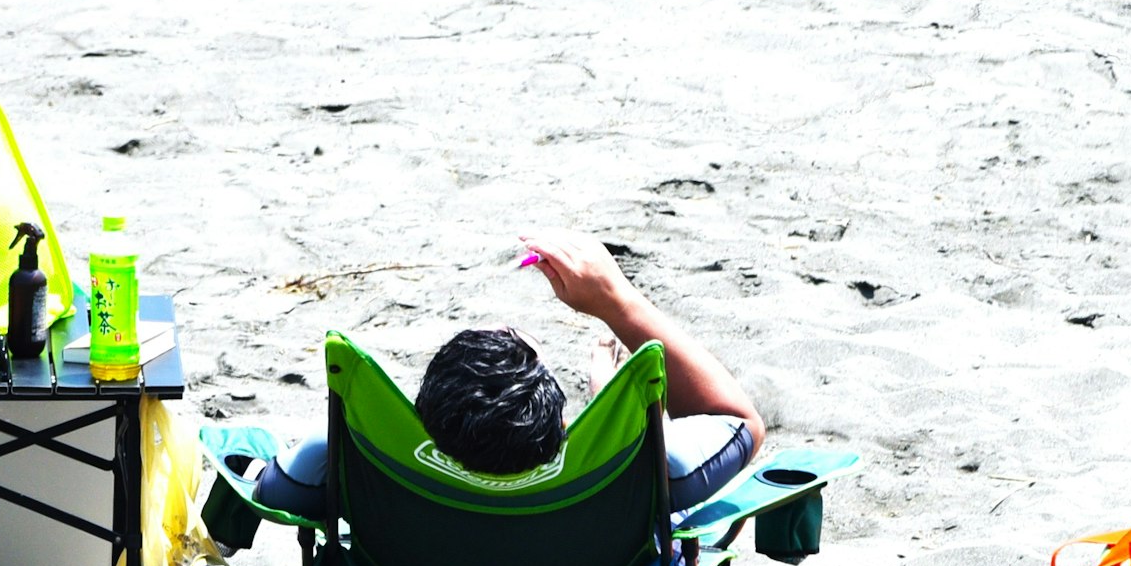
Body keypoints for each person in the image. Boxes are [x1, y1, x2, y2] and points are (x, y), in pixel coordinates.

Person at [257, 231, 764, 515]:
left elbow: (273, 488)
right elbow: (739, 422)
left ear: (424, 414)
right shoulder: (636, 471)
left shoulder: (361, 462)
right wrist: (620, 306)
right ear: (557, 424)